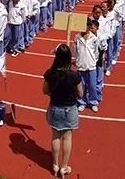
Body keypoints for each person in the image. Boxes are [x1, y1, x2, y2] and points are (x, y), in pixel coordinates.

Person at [43, 44, 83, 178]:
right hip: (69, 109)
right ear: (68, 58)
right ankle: (64, 167)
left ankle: (55, 165)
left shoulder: (49, 74)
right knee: (67, 138)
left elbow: (45, 91)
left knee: (55, 136)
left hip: (55, 108)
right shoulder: (74, 75)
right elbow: (80, 94)